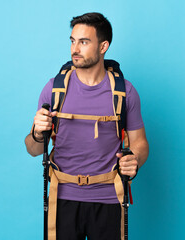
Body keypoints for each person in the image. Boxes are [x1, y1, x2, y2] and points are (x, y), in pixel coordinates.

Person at [25, 12, 149, 240]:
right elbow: (32, 149)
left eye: (84, 42)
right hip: (62, 197)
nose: (75, 48)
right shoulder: (53, 89)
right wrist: (37, 132)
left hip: (109, 198)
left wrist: (135, 160)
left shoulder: (124, 92)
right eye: (73, 41)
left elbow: (140, 144)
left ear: (103, 46)